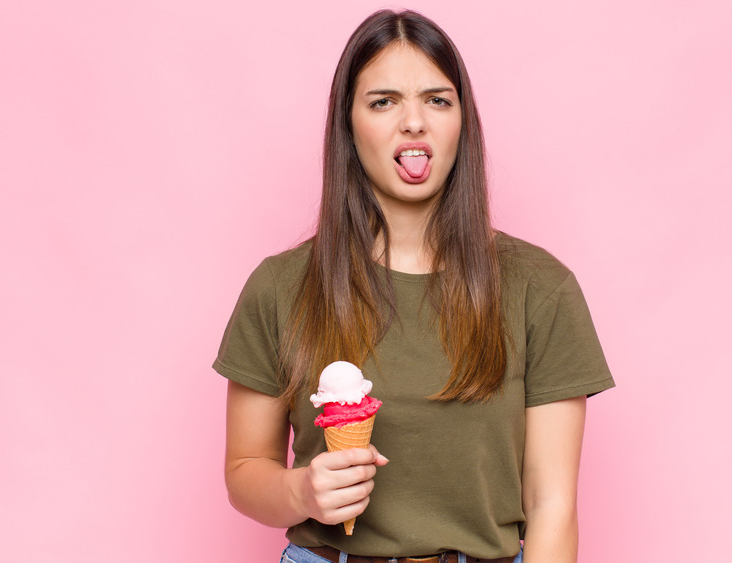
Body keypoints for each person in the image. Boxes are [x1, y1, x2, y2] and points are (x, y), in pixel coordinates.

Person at [213, 9, 614, 563]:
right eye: (383, 101)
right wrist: (299, 491)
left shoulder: (539, 289)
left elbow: (552, 506)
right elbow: (244, 471)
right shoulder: (280, 287)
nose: (414, 122)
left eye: (437, 99)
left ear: (462, 122)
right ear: (348, 126)